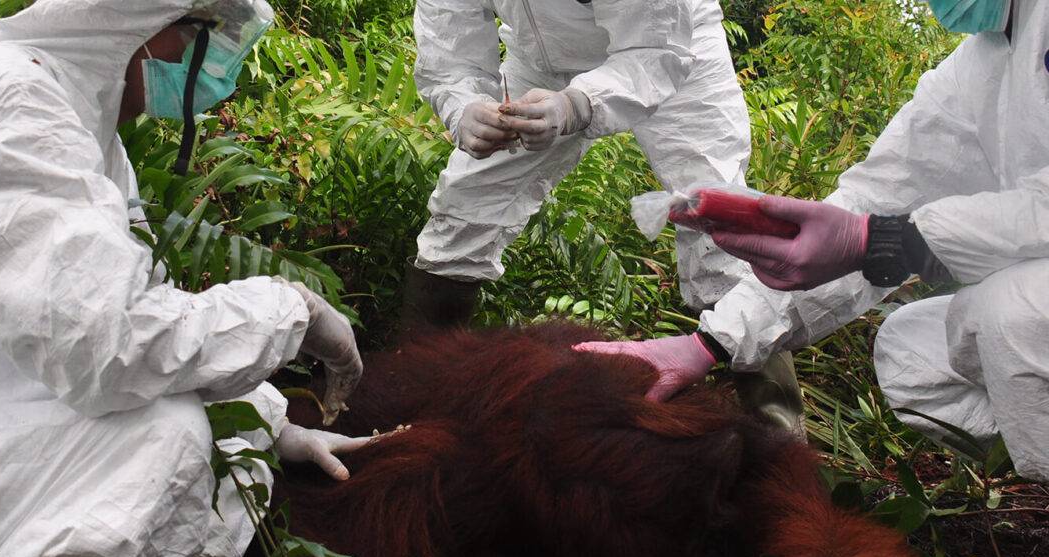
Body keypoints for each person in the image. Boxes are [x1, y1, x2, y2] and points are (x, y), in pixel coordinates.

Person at [0, 0, 370, 557]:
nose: (209, 64)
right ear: (142, 22)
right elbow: (105, 347)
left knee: (192, 424)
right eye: (202, 36)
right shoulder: (17, 100)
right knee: (163, 442)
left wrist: (269, 423)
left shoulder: (74, 114)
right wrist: (289, 311)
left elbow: (120, 318)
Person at [594, 0, 1049, 483]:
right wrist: (708, 344)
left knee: (1009, 314)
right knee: (912, 353)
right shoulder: (978, 69)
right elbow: (880, 196)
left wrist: (891, 240)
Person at [406, 0, 803, 429]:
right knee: (464, 209)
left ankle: (778, 435)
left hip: (673, 50)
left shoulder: (668, 43)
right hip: (539, 64)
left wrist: (576, 106)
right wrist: (463, 106)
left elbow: (655, 50)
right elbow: (450, 42)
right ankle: (416, 399)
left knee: (721, 227)